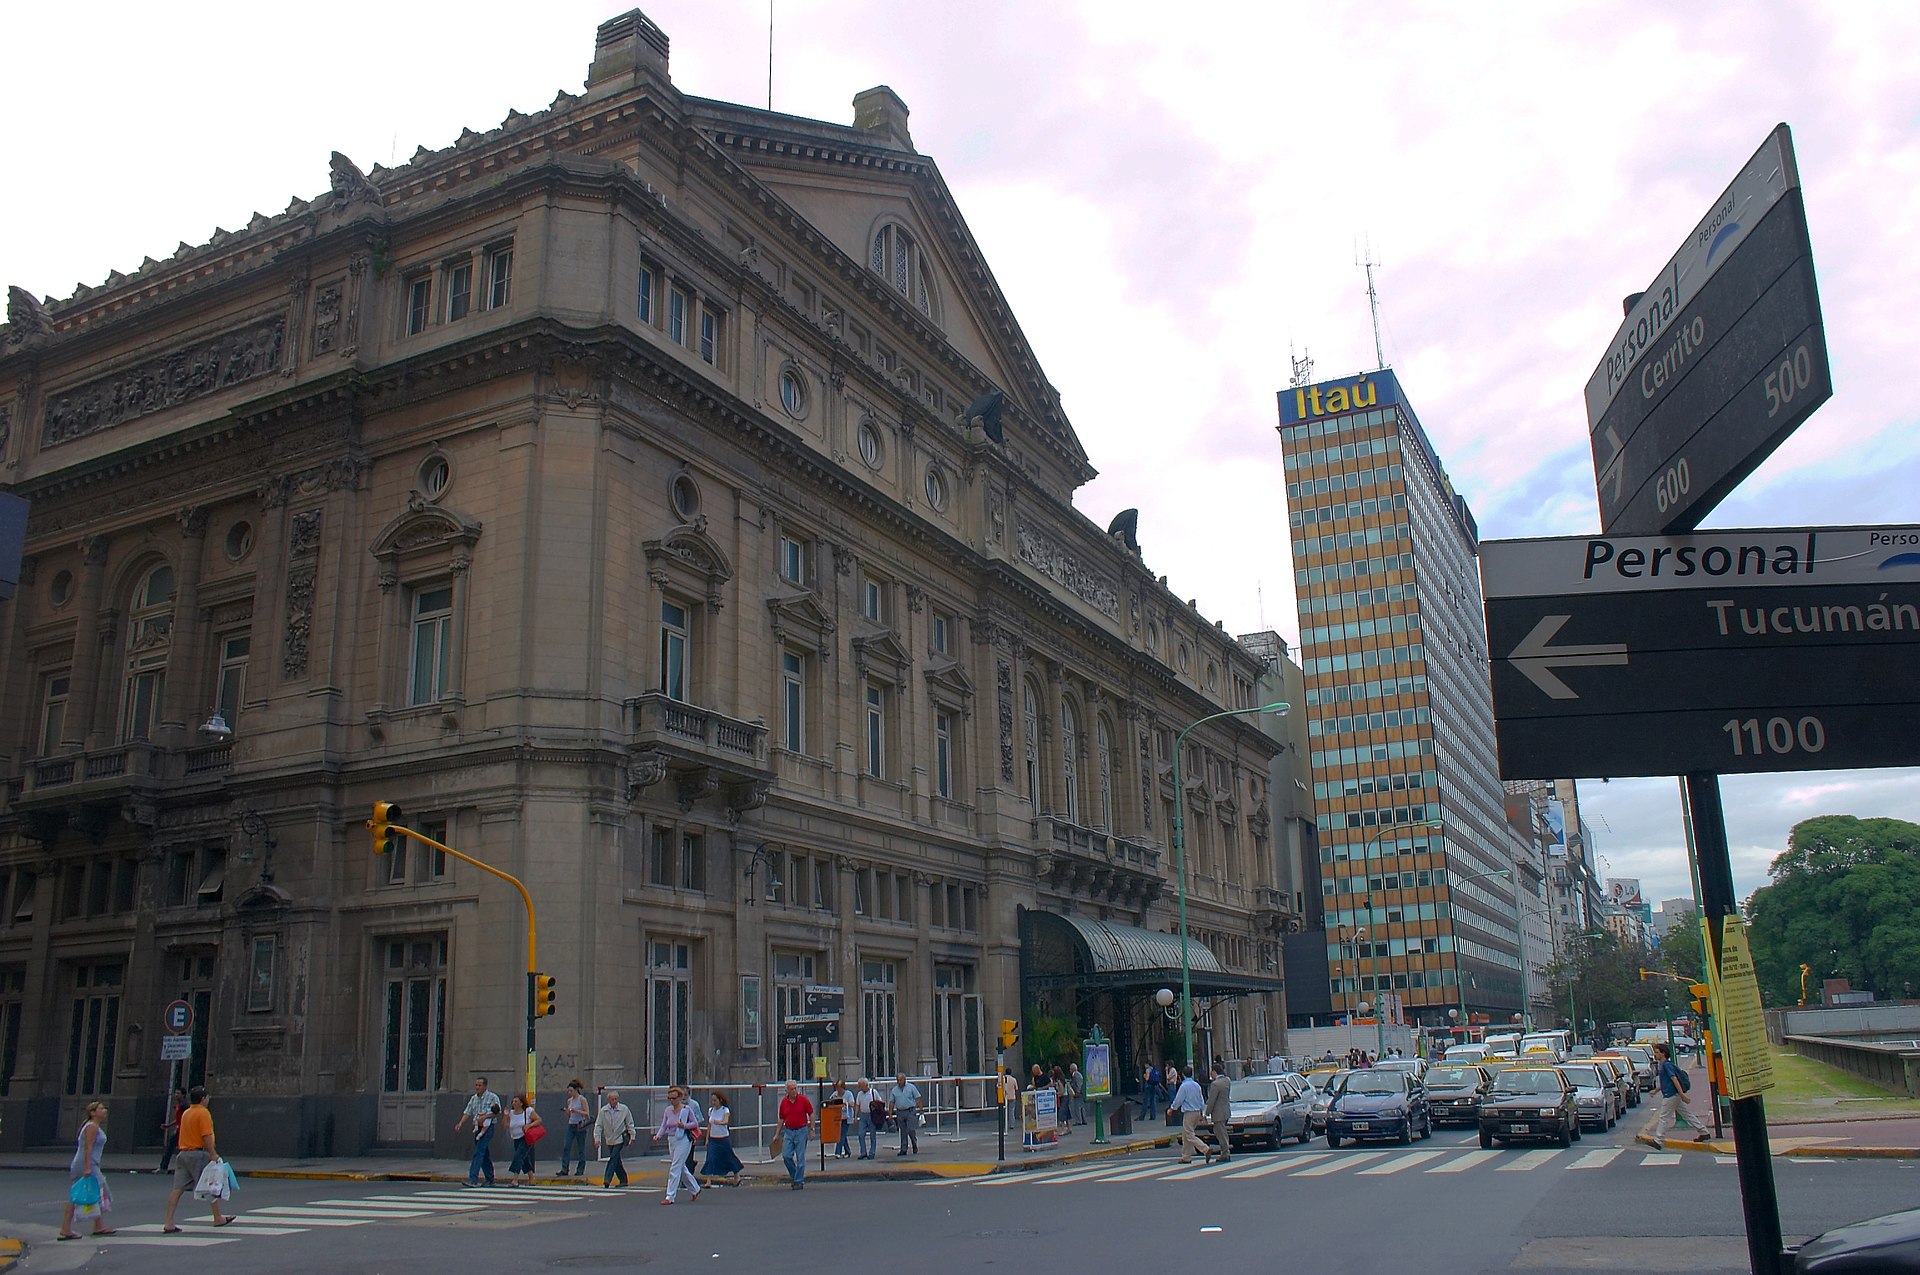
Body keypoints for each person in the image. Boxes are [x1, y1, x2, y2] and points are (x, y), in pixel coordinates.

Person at [162, 1085, 232, 1233]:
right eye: (207, 1098)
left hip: (183, 1153)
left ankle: (168, 1222)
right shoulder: (203, 1113)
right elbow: (206, 1135)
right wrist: (212, 1153)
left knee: (177, 1189)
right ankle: (218, 1217)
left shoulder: (187, 1112)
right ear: (203, 1099)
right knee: (211, 1185)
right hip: (197, 1154)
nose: (208, 1100)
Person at [59, 1101, 115, 1240]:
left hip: (90, 1163)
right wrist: (88, 1167)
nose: (105, 1110)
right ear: (93, 1112)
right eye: (101, 1108)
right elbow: (88, 1147)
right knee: (83, 1193)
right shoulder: (91, 1127)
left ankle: (98, 1225)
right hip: (85, 1164)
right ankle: (66, 1228)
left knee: (94, 1192)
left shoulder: (94, 1126)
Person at [1647, 1043, 1705, 1146]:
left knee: (1663, 1117)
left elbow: (1674, 1079)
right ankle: (1703, 1131)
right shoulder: (1663, 1065)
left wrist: (1682, 1094)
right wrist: (1656, 1090)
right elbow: (1666, 1082)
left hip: (1671, 1095)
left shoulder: (1666, 1065)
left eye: (1656, 1052)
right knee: (1687, 1114)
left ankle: (1659, 1140)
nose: (1655, 1055)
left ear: (1663, 1053)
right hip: (1673, 1094)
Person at [653, 1086, 702, 1205]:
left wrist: (684, 1126)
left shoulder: (686, 1109)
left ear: (680, 1098)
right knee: (680, 1166)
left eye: (674, 1098)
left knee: (675, 1167)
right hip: (672, 1139)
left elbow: (695, 1123)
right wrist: (658, 1135)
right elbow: (664, 1125)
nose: (671, 1101)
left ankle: (670, 1196)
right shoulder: (668, 1110)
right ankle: (695, 1189)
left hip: (683, 1139)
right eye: (669, 1098)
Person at [454, 1077, 503, 1188]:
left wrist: (485, 1116)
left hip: (488, 1127)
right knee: (484, 1153)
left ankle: (473, 1179)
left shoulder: (492, 1097)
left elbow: (497, 1111)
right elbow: (468, 1111)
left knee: (479, 1152)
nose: (477, 1087)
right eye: (476, 1085)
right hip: (477, 1127)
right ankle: (490, 1178)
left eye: (479, 1085)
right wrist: (460, 1123)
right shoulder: (474, 1099)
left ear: (485, 1086)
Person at [594, 1089, 637, 1188]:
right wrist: (597, 1139)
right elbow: (598, 1125)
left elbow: (629, 1123)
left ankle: (607, 1179)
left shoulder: (624, 1109)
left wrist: (632, 1135)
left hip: (620, 1138)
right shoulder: (603, 1111)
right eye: (612, 1099)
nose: (614, 1101)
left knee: (613, 1158)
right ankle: (623, 1179)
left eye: (616, 1099)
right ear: (608, 1100)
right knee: (616, 1160)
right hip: (609, 1138)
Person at [778, 1080, 813, 1189]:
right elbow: (781, 1118)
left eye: (795, 1088)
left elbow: (811, 1114)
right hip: (788, 1131)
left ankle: (798, 1181)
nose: (794, 1091)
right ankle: (795, 1176)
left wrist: (812, 1129)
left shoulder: (803, 1100)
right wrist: (777, 1133)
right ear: (787, 1091)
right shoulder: (784, 1102)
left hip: (801, 1130)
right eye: (791, 1089)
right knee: (786, 1155)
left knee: (800, 1158)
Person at [703, 1090, 743, 1184]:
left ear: (720, 1100)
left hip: (723, 1138)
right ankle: (708, 1181)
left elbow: (725, 1121)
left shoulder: (725, 1110)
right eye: (712, 1100)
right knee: (710, 1158)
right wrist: (707, 1138)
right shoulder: (711, 1110)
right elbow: (709, 1125)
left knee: (729, 1157)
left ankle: (736, 1175)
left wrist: (719, 1122)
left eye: (715, 1100)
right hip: (713, 1138)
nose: (713, 1103)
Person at [1170, 1067, 1210, 1163]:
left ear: (1183, 1075)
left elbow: (1178, 1100)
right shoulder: (1197, 1085)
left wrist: (1172, 1108)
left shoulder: (1184, 1086)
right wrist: (1202, 1112)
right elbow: (1201, 1100)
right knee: (1186, 1134)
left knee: (1189, 1135)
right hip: (1197, 1112)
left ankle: (1205, 1149)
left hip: (1189, 1112)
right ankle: (1186, 1156)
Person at [506, 1093, 542, 1187]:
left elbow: (538, 1120)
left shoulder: (528, 1111)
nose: (513, 1103)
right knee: (524, 1158)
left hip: (525, 1137)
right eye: (513, 1101)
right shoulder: (511, 1113)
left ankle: (515, 1179)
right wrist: (505, 1117)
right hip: (515, 1137)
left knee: (518, 1156)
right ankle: (531, 1177)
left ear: (521, 1103)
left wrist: (529, 1126)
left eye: (516, 1101)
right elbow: (505, 1126)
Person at [558, 1080, 591, 1177]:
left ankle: (580, 1169)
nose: (569, 1093)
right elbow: (569, 1114)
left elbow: (587, 1114)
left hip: (580, 1125)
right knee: (566, 1146)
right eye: (568, 1091)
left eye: (571, 1091)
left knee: (581, 1148)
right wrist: (567, 1112)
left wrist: (576, 1110)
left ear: (576, 1090)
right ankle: (564, 1168)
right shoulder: (569, 1101)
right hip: (571, 1124)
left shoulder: (582, 1099)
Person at [888, 1072, 922, 1156]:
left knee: (911, 1129)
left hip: (910, 1110)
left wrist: (921, 1109)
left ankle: (914, 1144)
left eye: (900, 1080)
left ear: (904, 1079)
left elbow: (917, 1098)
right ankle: (903, 1149)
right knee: (902, 1131)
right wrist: (890, 1114)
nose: (899, 1082)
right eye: (897, 1080)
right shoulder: (894, 1090)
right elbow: (891, 1102)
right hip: (900, 1111)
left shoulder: (911, 1087)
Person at [156, 1086, 186, 1175]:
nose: (176, 1095)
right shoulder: (178, 1105)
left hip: (182, 1131)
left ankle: (164, 1167)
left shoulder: (184, 1105)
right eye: (175, 1093)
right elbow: (178, 1119)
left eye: (178, 1093)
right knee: (171, 1147)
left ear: (183, 1095)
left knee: (174, 1148)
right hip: (179, 1130)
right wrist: (168, 1125)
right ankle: (164, 1167)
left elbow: (186, 1118)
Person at [1205, 1070, 1233, 1162]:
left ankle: (1225, 1153)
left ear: (1214, 1072)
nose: (1210, 1075)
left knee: (1220, 1133)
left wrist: (1207, 1112)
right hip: (1225, 1110)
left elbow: (1212, 1099)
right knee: (1222, 1132)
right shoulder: (1227, 1080)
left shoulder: (1215, 1084)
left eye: (1211, 1073)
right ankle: (1225, 1151)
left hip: (1218, 1112)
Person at [853, 1078, 882, 1160]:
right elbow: (857, 1105)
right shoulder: (859, 1094)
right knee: (861, 1134)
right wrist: (855, 1116)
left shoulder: (873, 1092)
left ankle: (872, 1152)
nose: (860, 1088)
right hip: (863, 1115)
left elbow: (879, 1102)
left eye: (861, 1086)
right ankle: (863, 1152)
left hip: (871, 1115)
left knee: (872, 1135)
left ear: (866, 1085)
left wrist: (875, 1108)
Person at [826, 1080, 852, 1159]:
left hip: (846, 1117)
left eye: (839, 1088)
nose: (838, 1089)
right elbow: (830, 1102)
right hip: (838, 1117)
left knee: (841, 1134)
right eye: (837, 1088)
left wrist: (844, 1102)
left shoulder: (848, 1094)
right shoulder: (835, 1094)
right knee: (842, 1134)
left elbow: (852, 1103)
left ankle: (838, 1152)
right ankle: (848, 1151)